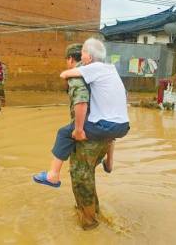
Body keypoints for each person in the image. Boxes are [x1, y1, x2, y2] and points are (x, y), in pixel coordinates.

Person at [33, 38, 129, 187]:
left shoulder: (93, 67)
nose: (82, 57)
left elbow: (65, 76)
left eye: (83, 53)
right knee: (109, 134)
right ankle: (109, 163)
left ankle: (53, 175)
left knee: (64, 133)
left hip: (106, 126)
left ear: (89, 57)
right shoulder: (111, 69)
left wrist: (78, 130)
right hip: (122, 126)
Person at [38, 43, 110, 229]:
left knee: (80, 178)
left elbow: (80, 101)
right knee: (88, 175)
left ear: (71, 59)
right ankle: (95, 213)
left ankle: (88, 224)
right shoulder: (102, 75)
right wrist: (110, 156)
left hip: (87, 136)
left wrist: (78, 130)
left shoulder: (78, 75)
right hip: (105, 135)